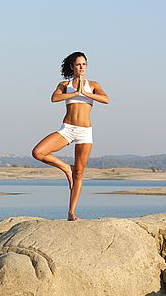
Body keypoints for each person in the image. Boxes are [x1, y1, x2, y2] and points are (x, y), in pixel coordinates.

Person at [32, 51, 110, 221]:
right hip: (67, 129)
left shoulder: (93, 84)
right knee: (38, 152)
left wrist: (85, 92)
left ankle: (71, 213)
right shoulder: (64, 84)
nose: (81, 67)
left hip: (84, 132)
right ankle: (66, 168)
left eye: (84, 64)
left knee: (79, 173)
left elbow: (106, 99)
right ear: (72, 67)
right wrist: (75, 93)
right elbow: (54, 98)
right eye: (78, 64)